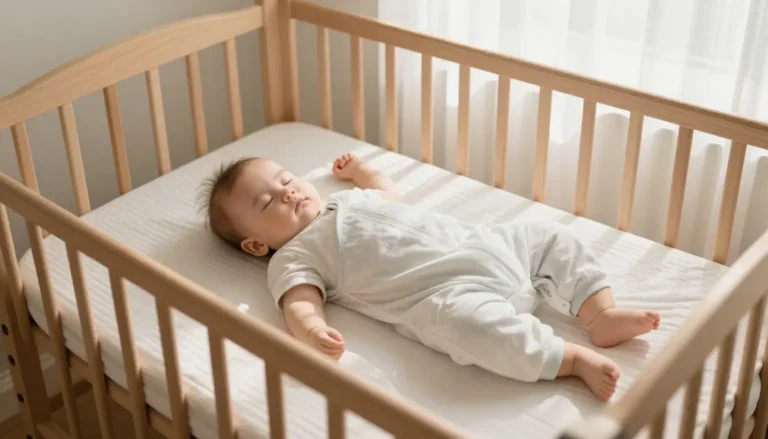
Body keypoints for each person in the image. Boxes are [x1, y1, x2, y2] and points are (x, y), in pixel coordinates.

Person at [200, 153, 660, 400]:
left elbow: (386, 193)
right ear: (257, 245)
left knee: (550, 238)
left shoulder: (347, 202)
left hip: (489, 244)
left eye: (286, 179)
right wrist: (312, 330)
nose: (288, 193)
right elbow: (300, 301)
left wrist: (363, 172)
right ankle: (570, 359)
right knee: (472, 330)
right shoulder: (294, 255)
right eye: (267, 203)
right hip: (447, 292)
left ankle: (600, 313)